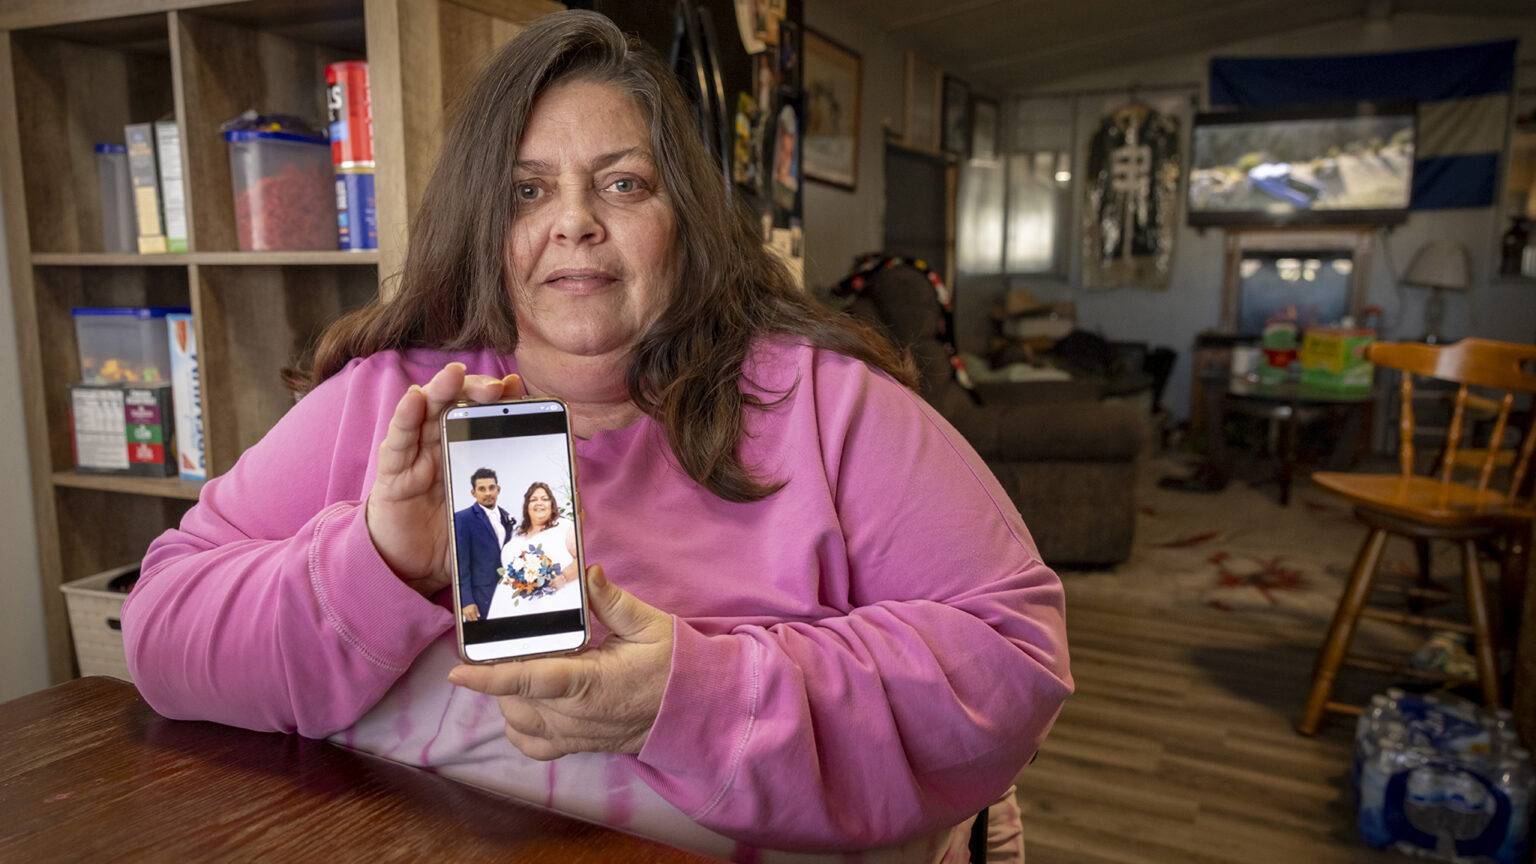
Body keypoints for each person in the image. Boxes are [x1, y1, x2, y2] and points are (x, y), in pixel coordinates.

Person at [120, 10, 1070, 862]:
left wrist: (692, 695)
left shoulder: (828, 405)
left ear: (686, 221)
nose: (573, 222)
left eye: (621, 184)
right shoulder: (387, 401)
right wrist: (378, 563)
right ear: (483, 224)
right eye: (527, 192)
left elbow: (1013, 659)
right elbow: (159, 632)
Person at [487, 481, 577, 618]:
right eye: (533, 500)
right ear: (527, 506)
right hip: (509, 609)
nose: (539, 503)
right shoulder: (517, 534)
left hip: (554, 607)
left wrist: (563, 577)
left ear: (552, 505)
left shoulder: (565, 527)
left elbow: (584, 559)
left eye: (545, 499)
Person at [454, 467, 515, 620]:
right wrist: (466, 600)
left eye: (491, 487)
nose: (488, 493)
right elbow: (460, 563)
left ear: (498, 489)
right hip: (481, 597)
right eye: (482, 489)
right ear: (473, 493)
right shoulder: (462, 519)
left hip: (508, 592)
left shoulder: (507, 517)